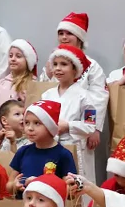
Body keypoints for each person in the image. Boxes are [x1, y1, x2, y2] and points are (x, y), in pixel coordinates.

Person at [39, 13, 107, 145]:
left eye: (69, 33)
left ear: (79, 37)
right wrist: (48, 72)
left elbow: (99, 97)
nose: (64, 37)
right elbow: (41, 92)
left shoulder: (92, 66)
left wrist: (95, 129)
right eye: (61, 33)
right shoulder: (53, 62)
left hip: (79, 134)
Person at [42, 45, 99, 184]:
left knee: (75, 186)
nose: (58, 68)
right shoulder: (46, 95)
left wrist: (68, 126)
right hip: (50, 147)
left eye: (63, 64)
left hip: (74, 147)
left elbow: (90, 126)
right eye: (55, 64)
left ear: (75, 69)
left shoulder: (85, 96)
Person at [8, 101, 78, 197]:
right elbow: (9, 184)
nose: (30, 128)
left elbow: (71, 193)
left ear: (50, 127)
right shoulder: (22, 152)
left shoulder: (63, 154)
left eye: (37, 123)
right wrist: (14, 186)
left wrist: (40, 184)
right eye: (27, 123)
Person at [0, 39, 37, 139]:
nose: (13, 59)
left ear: (28, 60)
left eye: (18, 56)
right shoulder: (0, 83)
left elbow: (35, 113)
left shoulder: (33, 84)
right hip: (0, 136)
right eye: (10, 56)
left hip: (22, 138)